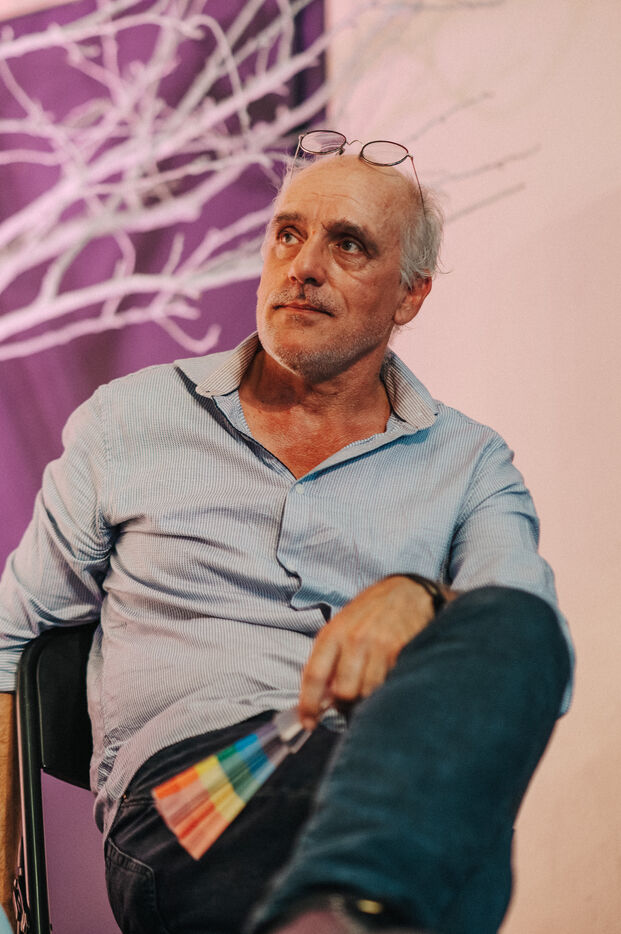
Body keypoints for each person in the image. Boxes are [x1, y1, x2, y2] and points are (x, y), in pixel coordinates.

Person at [0, 135, 572, 934]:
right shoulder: (129, 419)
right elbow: (11, 637)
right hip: (195, 797)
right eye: (287, 234)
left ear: (409, 296)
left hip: (381, 774)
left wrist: (421, 599)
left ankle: (335, 911)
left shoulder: (469, 462)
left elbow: (529, 658)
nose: (302, 266)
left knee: (512, 625)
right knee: (445, 850)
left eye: (347, 245)